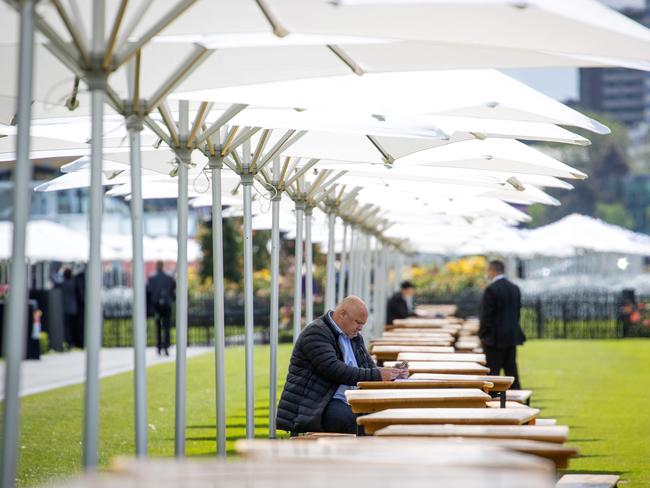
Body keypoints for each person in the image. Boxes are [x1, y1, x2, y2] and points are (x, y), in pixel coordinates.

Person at [277, 296, 405, 434]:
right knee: (361, 423)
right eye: (358, 322)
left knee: (383, 417)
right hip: (316, 405)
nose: (360, 328)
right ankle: (364, 454)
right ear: (342, 314)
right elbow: (335, 370)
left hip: (346, 400)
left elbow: (368, 367)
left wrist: (393, 373)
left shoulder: (354, 336)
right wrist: (378, 374)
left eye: (363, 324)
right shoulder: (316, 333)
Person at [479, 260, 526, 390]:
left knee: (493, 373)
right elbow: (516, 313)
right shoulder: (515, 288)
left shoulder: (491, 289)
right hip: (512, 335)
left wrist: (483, 335)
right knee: (512, 370)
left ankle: (492, 400)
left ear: (492, 270)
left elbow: (486, 316)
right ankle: (516, 396)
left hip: (494, 338)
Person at [147, 260, 176, 356]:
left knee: (158, 327)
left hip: (156, 306)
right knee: (167, 327)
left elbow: (148, 293)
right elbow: (173, 290)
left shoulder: (152, 278)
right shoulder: (169, 277)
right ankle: (166, 347)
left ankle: (159, 347)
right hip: (167, 305)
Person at [61, 268, 78, 349]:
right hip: (73, 308)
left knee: (67, 327)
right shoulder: (73, 283)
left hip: (65, 308)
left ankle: (68, 341)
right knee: (73, 327)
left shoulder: (63, 283)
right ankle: (73, 342)